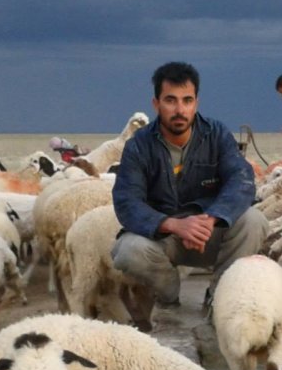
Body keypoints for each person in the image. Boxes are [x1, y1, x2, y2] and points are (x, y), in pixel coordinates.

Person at [111, 61, 265, 331]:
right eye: (170, 100)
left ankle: (218, 296)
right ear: (156, 103)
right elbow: (127, 200)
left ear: (196, 102)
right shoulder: (139, 146)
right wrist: (171, 224)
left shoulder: (216, 135)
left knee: (255, 221)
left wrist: (213, 217)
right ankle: (169, 296)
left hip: (208, 234)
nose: (180, 110)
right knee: (127, 251)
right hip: (165, 239)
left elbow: (241, 180)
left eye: (187, 100)